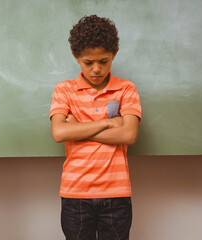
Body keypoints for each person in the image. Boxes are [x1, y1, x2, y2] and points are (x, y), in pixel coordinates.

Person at [49, 14, 142, 240]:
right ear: (76, 57)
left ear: (115, 54)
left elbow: (128, 135)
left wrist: (79, 127)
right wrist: (109, 123)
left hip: (116, 193)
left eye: (104, 61)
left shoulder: (126, 89)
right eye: (88, 63)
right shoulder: (64, 90)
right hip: (75, 193)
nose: (97, 70)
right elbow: (60, 132)